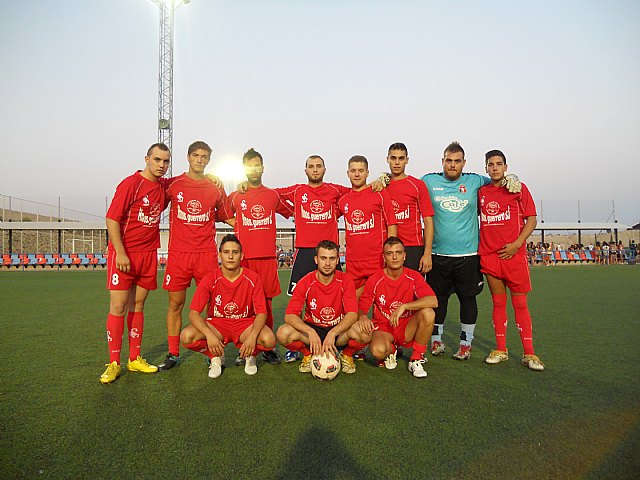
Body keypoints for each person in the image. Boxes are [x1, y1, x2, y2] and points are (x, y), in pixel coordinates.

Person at [422, 141, 520, 360]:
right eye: (449, 160)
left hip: (468, 255)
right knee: (439, 300)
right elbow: (407, 189)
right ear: (443, 161)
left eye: (457, 161)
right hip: (438, 255)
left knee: (468, 299)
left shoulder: (475, 181)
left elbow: (498, 181)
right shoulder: (429, 181)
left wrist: (511, 178)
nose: (453, 165)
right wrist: (386, 179)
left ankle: (465, 344)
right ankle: (436, 340)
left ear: (464, 163)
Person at [99, 143, 171, 384]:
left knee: (138, 305)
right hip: (124, 254)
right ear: (147, 159)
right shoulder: (131, 183)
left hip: (147, 254)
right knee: (118, 306)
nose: (161, 165)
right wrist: (119, 252)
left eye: (165, 161)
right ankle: (113, 363)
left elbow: (184, 182)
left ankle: (134, 358)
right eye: (157, 160)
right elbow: (112, 218)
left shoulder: (162, 187)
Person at [159, 141, 233, 371]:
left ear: (208, 160)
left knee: (211, 306)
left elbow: (228, 217)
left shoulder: (215, 188)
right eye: (196, 156)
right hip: (179, 255)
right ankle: (173, 353)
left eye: (204, 157)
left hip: (206, 255)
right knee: (175, 304)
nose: (200, 160)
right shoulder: (173, 185)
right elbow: (153, 201)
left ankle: (214, 353)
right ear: (188, 157)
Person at [479, 150, 544, 371]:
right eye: (490, 164)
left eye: (499, 164)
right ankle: (500, 349)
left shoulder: (518, 188)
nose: (495, 167)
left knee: (520, 304)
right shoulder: (482, 192)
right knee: (498, 302)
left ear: (506, 167)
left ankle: (530, 353)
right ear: (486, 168)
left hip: (514, 256)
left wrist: (517, 244)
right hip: (490, 256)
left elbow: (532, 219)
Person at [227, 148, 294, 365]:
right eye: (249, 166)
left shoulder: (272, 195)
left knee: (265, 303)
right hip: (243, 259)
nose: (254, 169)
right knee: (244, 304)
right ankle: (246, 347)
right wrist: (237, 225)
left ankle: (268, 347)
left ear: (262, 168)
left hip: (266, 258)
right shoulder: (237, 195)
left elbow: (292, 212)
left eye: (257, 165)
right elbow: (219, 211)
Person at [339, 237, 438, 378]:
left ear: (404, 256)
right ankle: (392, 349)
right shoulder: (375, 279)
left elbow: (433, 301)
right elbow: (362, 306)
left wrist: (405, 306)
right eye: (390, 253)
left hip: (407, 327)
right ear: (384, 257)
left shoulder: (414, 276)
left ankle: (416, 359)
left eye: (398, 253)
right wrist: (362, 317)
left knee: (428, 313)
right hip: (384, 328)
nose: (394, 257)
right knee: (378, 352)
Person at [180, 234, 276, 378]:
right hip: (217, 325)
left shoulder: (253, 278)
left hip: (244, 324)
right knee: (186, 336)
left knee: (269, 340)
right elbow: (194, 313)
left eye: (235, 252)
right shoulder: (210, 278)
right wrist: (209, 335)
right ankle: (215, 356)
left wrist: (252, 337)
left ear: (241, 255)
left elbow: (262, 312)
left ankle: (251, 356)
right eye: (226, 252)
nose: (230, 256)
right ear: (220, 255)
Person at [276, 240, 358, 373]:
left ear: (337, 260)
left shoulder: (345, 280)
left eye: (331, 259)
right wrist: (310, 331)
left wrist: (333, 332)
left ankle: (346, 354)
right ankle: (308, 354)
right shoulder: (305, 281)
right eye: (323, 258)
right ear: (316, 259)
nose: (327, 263)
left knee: (364, 331)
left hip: (337, 331)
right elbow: (290, 316)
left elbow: (352, 314)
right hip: (313, 331)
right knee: (283, 333)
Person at [337, 155, 397, 298]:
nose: (357, 174)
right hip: (353, 264)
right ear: (348, 173)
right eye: (353, 171)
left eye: (361, 170)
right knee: (352, 306)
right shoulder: (343, 200)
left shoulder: (379, 193)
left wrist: (391, 254)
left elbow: (392, 224)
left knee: (382, 304)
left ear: (367, 173)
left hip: (376, 261)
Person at [385, 143, 434, 273]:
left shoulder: (417, 185)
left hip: (413, 247)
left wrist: (427, 253)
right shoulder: (381, 187)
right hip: (389, 248)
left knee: (414, 291)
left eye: (401, 158)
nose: (397, 162)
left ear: (407, 160)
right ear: (387, 159)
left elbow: (428, 221)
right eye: (393, 158)